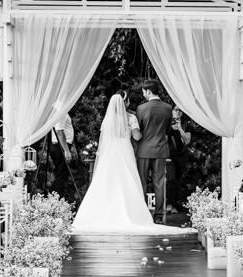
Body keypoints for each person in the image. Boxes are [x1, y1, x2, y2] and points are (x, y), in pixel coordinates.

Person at [71, 91, 183, 234]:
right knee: (127, 181)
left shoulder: (107, 120)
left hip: (109, 154)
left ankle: (104, 212)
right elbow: (137, 137)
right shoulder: (131, 118)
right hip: (124, 152)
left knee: (106, 182)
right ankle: (132, 214)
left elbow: (103, 138)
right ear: (126, 102)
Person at [135, 79, 174, 223]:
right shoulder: (168, 108)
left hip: (144, 150)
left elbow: (138, 130)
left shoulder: (141, 108)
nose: (143, 94)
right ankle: (158, 216)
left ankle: (143, 214)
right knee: (159, 183)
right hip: (161, 150)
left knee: (142, 182)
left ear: (149, 91)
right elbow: (168, 130)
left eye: (144, 92)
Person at [166, 107, 192, 214]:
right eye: (176, 109)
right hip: (169, 155)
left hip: (181, 155)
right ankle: (168, 204)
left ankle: (174, 204)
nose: (178, 112)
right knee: (171, 178)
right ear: (172, 111)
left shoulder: (186, 123)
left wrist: (180, 128)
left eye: (180, 110)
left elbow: (187, 140)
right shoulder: (167, 122)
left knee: (178, 180)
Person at [47, 112, 76, 202]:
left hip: (59, 146)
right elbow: (59, 131)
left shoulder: (58, 110)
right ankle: (55, 199)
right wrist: (66, 150)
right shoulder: (60, 111)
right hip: (60, 147)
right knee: (61, 175)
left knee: (61, 173)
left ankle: (55, 198)